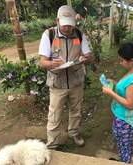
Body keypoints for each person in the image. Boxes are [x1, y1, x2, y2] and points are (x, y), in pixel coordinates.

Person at [39, 5, 92, 149]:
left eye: (70, 25)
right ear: (57, 20)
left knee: (76, 111)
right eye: (64, 25)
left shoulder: (79, 35)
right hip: (57, 83)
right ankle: (52, 144)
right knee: (54, 115)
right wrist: (52, 63)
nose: (68, 28)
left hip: (76, 82)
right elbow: (42, 62)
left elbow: (89, 57)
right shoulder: (48, 35)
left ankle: (74, 133)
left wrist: (84, 59)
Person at [102, 42, 133, 163]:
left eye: (121, 61)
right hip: (122, 117)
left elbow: (130, 104)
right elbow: (126, 90)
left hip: (125, 120)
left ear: (131, 60)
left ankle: (124, 162)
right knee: (123, 146)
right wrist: (113, 82)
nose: (120, 63)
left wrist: (111, 93)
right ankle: (122, 160)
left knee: (125, 148)